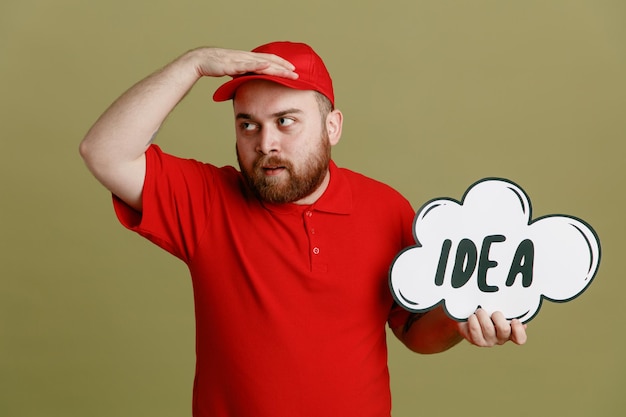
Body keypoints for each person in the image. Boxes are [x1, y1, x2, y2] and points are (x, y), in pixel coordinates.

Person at [79, 41, 527, 417]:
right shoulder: (207, 200)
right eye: (247, 124)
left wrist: (458, 323)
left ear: (332, 127)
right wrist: (191, 65)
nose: (265, 143)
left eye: (285, 121)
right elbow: (104, 152)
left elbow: (411, 329)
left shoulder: (386, 208)